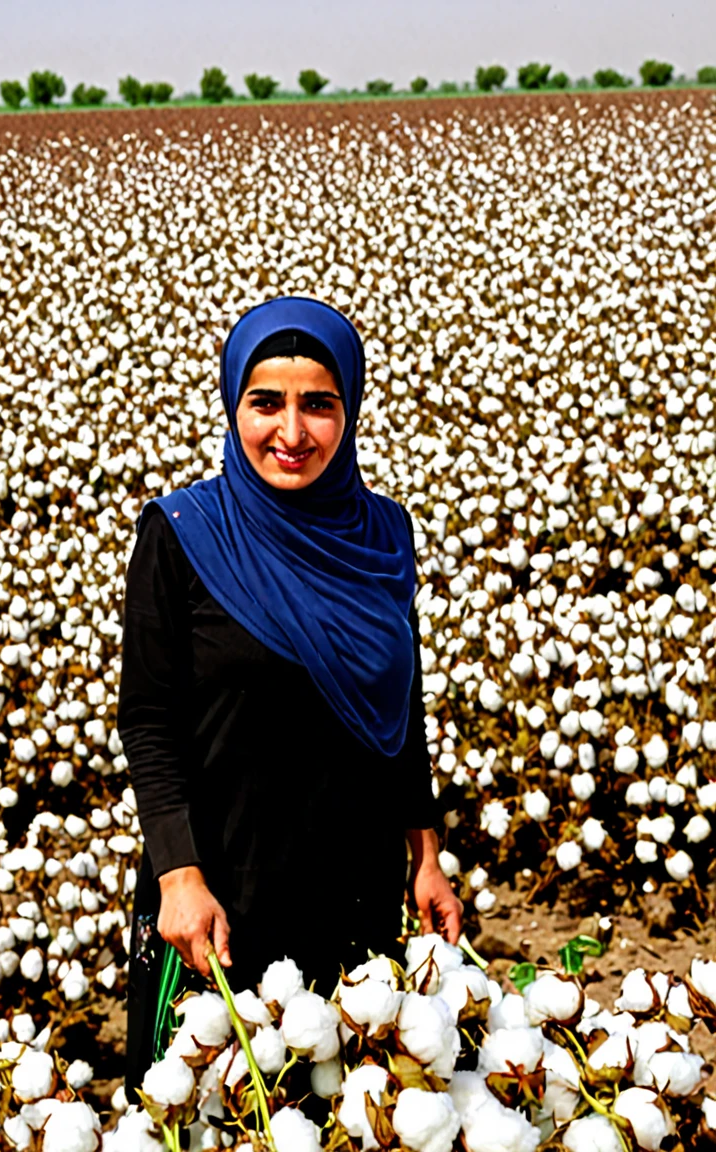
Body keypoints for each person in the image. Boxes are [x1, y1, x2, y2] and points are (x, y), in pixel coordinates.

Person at [116, 296, 463, 1097]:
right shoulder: (181, 532)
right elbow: (148, 717)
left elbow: (398, 704)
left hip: (356, 879)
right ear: (233, 403)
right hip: (223, 888)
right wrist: (178, 878)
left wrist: (424, 854)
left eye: (320, 405)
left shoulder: (382, 532)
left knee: (347, 1098)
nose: (292, 433)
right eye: (265, 403)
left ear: (352, 411)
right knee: (216, 1103)